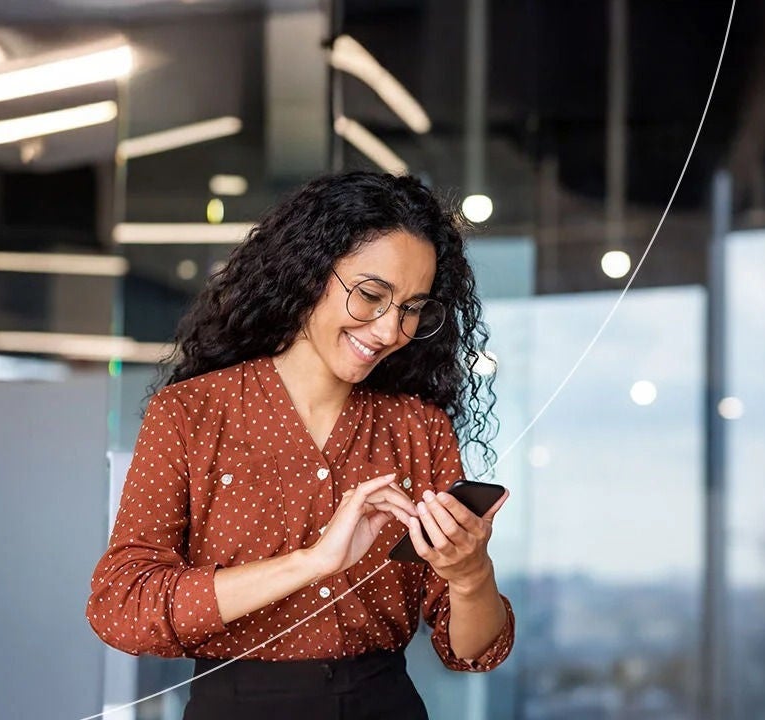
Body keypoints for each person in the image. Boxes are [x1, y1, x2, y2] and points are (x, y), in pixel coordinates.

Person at [87, 172, 514, 720]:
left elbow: (473, 651)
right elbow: (123, 607)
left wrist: (471, 573)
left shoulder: (418, 429)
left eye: (412, 308)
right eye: (371, 296)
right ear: (309, 272)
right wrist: (313, 563)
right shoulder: (192, 413)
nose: (389, 331)